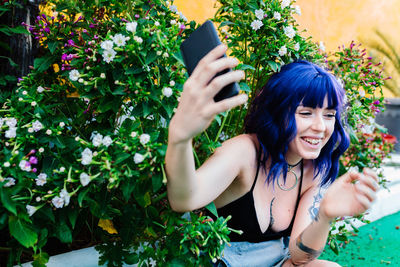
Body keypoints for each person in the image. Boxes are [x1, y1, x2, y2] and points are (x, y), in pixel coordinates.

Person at [165, 44, 379, 266]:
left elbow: (299, 257)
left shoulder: (314, 170)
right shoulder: (245, 152)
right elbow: (184, 199)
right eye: (306, 113)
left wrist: (324, 216)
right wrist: (180, 138)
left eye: (329, 115)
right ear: (278, 114)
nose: (321, 127)